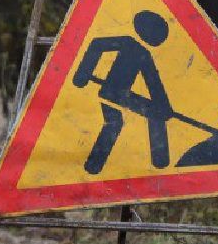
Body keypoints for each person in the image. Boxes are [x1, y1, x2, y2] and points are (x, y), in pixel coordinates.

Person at [70, 10, 175, 175]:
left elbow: (154, 84)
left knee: (151, 114)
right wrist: (82, 73)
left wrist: (164, 107)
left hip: (121, 95)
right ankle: (93, 166)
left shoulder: (144, 54)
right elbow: (97, 44)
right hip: (111, 92)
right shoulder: (127, 43)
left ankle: (160, 162)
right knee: (117, 122)